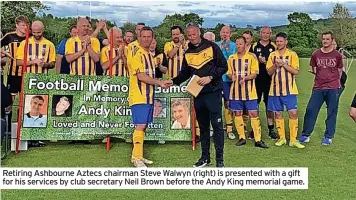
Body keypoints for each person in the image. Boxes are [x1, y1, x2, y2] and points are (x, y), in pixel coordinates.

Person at [171, 23, 227, 168]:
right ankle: (205, 158)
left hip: (213, 92)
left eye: (194, 34)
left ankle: (220, 160)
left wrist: (211, 77)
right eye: (189, 35)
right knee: (203, 127)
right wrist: (172, 81)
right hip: (198, 94)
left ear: (199, 32)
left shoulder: (212, 46)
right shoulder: (187, 51)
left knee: (217, 126)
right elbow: (185, 73)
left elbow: (223, 66)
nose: (191, 37)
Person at [128, 26, 171, 168]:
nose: (146, 39)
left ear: (153, 39)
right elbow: (141, 76)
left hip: (149, 96)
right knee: (140, 126)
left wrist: (163, 81)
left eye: (149, 37)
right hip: (139, 96)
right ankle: (136, 158)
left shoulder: (149, 56)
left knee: (143, 126)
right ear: (139, 37)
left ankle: (138, 155)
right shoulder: (136, 54)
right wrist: (159, 82)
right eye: (143, 36)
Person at [299, 31, 344, 146]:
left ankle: (328, 136)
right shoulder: (315, 54)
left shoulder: (337, 55)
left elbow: (340, 71)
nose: (325, 41)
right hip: (318, 87)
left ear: (332, 40)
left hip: (333, 88)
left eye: (327, 39)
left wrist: (334, 81)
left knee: (332, 112)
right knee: (310, 110)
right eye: (323, 39)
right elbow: (314, 69)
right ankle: (306, 135)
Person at [227, 36, 268, 148]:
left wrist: (245, 78)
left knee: (253, 114)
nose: (238, 46)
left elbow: (255, 73)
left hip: (250, 92)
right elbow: (229, 73)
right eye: (237, 44)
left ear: (245, 45)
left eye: (240, 44)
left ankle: (258, 140)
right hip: (235, 92)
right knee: (238, 113)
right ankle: (241, 138)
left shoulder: (251, 58)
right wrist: (232, 77)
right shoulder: (231, 58)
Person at [266, 32, 304, 149]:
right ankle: (281, 138)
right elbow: (269, 72)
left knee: (293, 113)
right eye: (277, 41)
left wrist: (283, 64)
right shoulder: (272, 55)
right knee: (278, 113)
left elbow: (296, 71)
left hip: (290, 90)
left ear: (286, 42)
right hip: (275, 90)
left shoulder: (292, 54)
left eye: (281, 41)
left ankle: (293, 139)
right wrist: (275, 65)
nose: (279, 43)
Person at [251, 26, 278, 140]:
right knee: (254, 105)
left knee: (269, 106)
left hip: (270, 80)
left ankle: (271, 129)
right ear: (260, 33)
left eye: (268, 33)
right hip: (256, 80)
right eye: (264, 33)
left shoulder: (274, 46)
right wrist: (257, 60)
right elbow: (250, 60)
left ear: (270, 34)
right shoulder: (254, 46)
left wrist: (266, 62)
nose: (266, 35)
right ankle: (254, 129)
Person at [215, 25, 236, 140]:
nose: (225, 34)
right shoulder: (216, 45)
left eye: (227, 32)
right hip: (217, 78)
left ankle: (229, 128)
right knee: (216, 103)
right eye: (223, 32)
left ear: (230, 34)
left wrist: (227, 49)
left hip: (228, 79)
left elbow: (232, 60)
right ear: (220, 33)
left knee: (228, 103)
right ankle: (216, 128)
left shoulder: (234, 46)